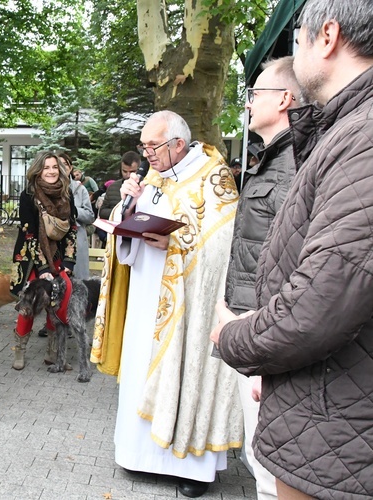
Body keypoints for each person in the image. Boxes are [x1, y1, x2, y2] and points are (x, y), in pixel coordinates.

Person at [212, 2, 373, 499]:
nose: (294, 51)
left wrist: (234, 338)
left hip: (334, 424)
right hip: (320, 400)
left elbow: (320, 301)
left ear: (327, 37)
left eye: (296, 40)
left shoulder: (361, 138)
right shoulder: (339, 132)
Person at [100, 111, 241, 498]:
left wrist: (175, 243)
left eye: (153, 147)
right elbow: (128, 222)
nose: (147, 156)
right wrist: (126, 207)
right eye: (143, 147)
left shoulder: (215, 176)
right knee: (142, 367)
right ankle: (139, 456)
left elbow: (225, 243)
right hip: (147, 291)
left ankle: (191, 468)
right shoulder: (155, 174)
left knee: (184, 371)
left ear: (178, 143)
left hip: (187, 304)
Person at [222, 56, 302, 500]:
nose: (249, 103)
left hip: (265, 330)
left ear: (285, 99)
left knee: (270, 465)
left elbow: (292, 263)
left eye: (256, 94)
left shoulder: (292, 165)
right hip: (253, 323)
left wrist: (264, 348)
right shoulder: (270, 160)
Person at [9, 151, 77, 371]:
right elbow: (29, 234)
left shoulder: (67, 194)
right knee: (29, 304)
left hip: (58, 257)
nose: (51, 171)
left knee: (57, 304)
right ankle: (20, 349)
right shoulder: (27, 195)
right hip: (31, 258)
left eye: (54, 167)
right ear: (38, 170)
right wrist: (43, 268)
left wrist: (69, 260)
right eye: (46, 167)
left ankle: (53, 351)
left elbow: (72, 228)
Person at [59, 153, 94, 279]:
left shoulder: (80, 189)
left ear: (70, 167)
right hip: (56, 239)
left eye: (65, 164)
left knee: (78, 283)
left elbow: (90, 216)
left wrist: (74, 210)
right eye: (59, 164)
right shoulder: (50, 188)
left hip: (77, 238)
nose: (62, 168)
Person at [99, 151, 141, 220]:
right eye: (124, 171)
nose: (128, 175)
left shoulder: (146, 188)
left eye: (132, 171)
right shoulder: (112, 187)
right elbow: (102, 212)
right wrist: (119, 213)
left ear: (139, 169)